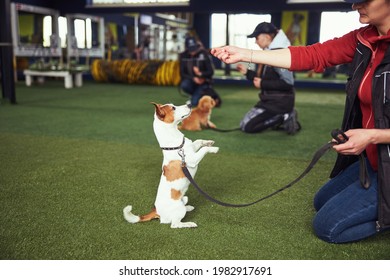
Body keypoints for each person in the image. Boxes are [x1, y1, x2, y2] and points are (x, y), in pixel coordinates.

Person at [211, 0, 390, 244]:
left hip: (383, 151)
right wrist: (245, 53)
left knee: (328, 228)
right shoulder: (363, 39)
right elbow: (312, 55)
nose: (354, 5)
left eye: (364, 0)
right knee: (321, 202)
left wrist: (373, 136)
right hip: (375, 159)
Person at [236, 22, 301, 135]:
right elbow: (264, 79)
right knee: (243, 124)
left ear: (267, 37)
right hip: (269, 101)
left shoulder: (279, 54)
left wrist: (262, 84)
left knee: (247, 127)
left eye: (257, 38)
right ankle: (282, 116)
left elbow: (288, 83)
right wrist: (247, 73)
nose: (255, 41)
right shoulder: (271, 52)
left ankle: (285, 116)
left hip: (279, 103)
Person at [179, 36, 220, 107]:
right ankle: (197, 95)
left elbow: (211, 72)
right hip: (191, 80)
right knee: (184, 85)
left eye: (194, 48)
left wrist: (201, 75)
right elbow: (182, 73)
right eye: (190, 49)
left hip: (204, 81)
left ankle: (205, 94)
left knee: (194, 103)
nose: (193, 51)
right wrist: (193, 78)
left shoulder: (204, 54)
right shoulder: (183, 55)